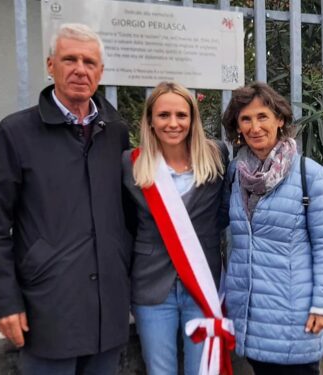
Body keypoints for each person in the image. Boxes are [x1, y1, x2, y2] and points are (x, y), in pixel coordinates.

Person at [0, 23, 131, 374]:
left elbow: (128, 212)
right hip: (47, 307)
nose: (80, 69)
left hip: (108, 310)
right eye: (69, 59)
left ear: (101, 72)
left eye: (89, 62)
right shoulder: (16, 132)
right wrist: (3, 302)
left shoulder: (116, 132)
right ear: (50, 65)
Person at [222, 82, 323, 374]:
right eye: (246, 119)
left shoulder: (310, 175)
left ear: (280, 120)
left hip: (294, 314)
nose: (255, 127)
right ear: (237, 127)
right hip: (251, 314)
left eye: (262, 116)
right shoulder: (235, 174)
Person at [122, 81, 230, 375]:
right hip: (152, 288)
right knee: (160, 371)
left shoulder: (216, 155)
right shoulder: (132, 164)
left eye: (181, 115)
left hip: (201, 282)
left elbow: (222, 214)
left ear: (193, 119)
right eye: (163, 115)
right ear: (150, 121)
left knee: (203, 370)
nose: (173, 123)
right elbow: (127, 223)